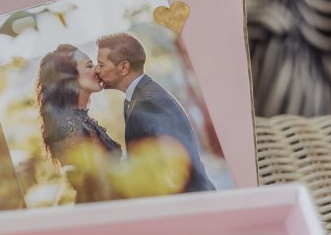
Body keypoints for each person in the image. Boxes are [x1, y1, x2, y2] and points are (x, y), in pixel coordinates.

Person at [95, 32, 215, 192]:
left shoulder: (148, 103)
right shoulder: (140, 97)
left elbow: (170, 166)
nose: (96, 70)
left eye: (101, 64)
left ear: (123, 67)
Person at [36, 44, 122, 202]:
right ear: (69, 77)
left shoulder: (81, 120)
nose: (97, 70)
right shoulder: (69, 126)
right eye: (89, 66)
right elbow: (90, 184)